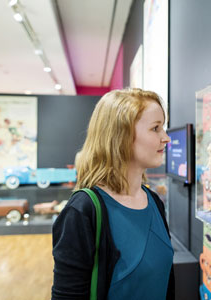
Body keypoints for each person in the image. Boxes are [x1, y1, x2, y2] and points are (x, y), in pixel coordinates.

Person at [51, 88, 175, 299]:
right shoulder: (82, 212)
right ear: (122, 135)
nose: (166, 138)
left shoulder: (154, 201)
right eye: (155, 128)